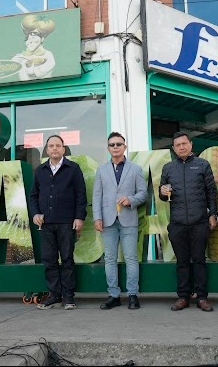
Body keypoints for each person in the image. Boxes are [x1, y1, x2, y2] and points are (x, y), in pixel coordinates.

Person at [159, 131, 218, 312]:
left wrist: (213, 214)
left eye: (184, 144)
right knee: (182, 262)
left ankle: (202, 298)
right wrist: (162, 193)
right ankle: (183, 297)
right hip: (177, 223)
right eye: (178, 145)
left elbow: (212, 192)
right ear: (173, 149)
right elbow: (162, 196)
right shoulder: (168, 168)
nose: (181, 147)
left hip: (199, 221)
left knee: (199, 260)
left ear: (191, 145)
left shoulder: (202, 165)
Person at [29, 135, 87, 310]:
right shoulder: (40, 170)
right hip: (45, 224)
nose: (54, 148)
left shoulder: (73, 169)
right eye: (51, 146)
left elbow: (81, 195)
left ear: (63, 149)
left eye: (58, 146)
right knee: (49, 260)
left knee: (67, 259)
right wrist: (35, 214)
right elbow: (33, 196)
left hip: (66, 222)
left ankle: (69, 297)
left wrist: (79, 217)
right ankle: (54, 295)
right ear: (47, 150)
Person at [93, 132, 149, 310]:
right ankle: (114, 295)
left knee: (131, 258)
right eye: (112, 145)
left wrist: (131, 200)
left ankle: (133, 295)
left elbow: (144, 193)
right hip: (108, 221)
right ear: (108, 148)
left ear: (125, 147)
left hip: (128, 219)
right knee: (110, 259)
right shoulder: (102, 170)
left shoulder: (135, 169)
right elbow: (97, 196)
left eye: (119, 144)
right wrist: (97, 218)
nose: (115, 147)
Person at [13, 14, 57, 81]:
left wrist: (31, 64)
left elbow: (37, 73)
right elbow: (12, 66)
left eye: (34, 35)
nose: (30, 40)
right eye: (28, 36)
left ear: (42, 38)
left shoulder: (48, 55)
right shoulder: (21, 57)